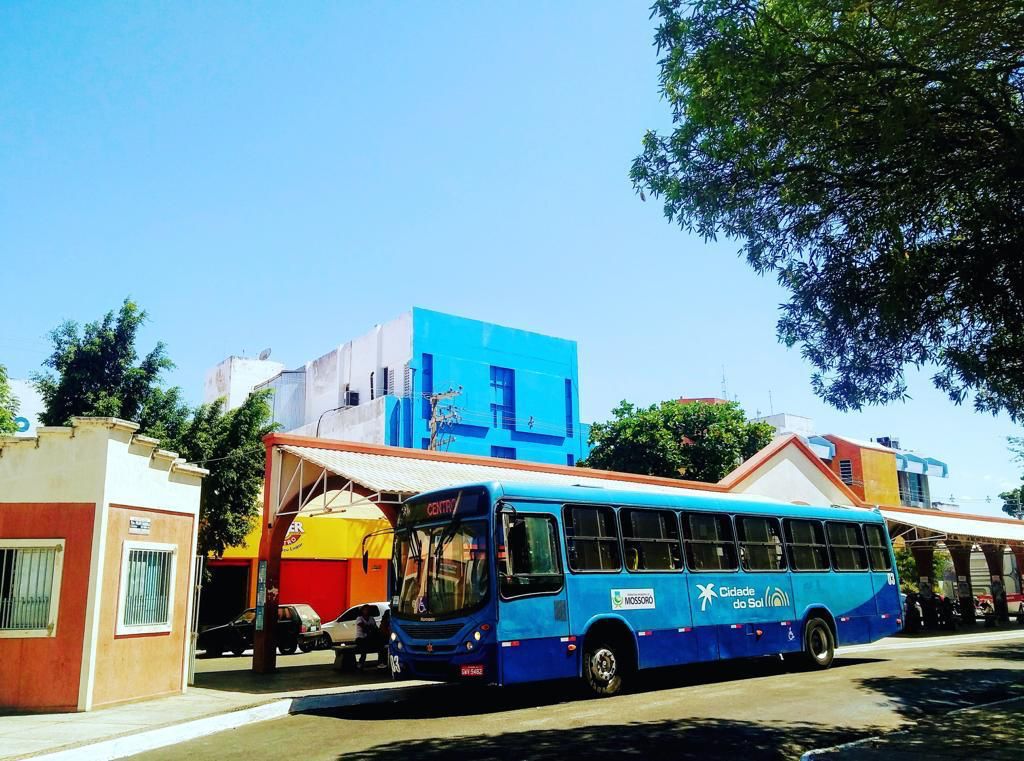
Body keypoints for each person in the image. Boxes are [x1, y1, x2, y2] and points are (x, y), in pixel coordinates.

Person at [354, 605, 379, 670]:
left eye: (368, 609)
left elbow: (375, 628)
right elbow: (364, 628)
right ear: (362, 611)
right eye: (365, 609)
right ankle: (361, 663)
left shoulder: (371, 618)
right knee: (364, 648)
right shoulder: (359, 618)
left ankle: (381, 662)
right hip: (360, 638)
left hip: (369, 638)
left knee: (380, 645)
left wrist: (371, 629)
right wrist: (370, 628)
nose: (366, 611)